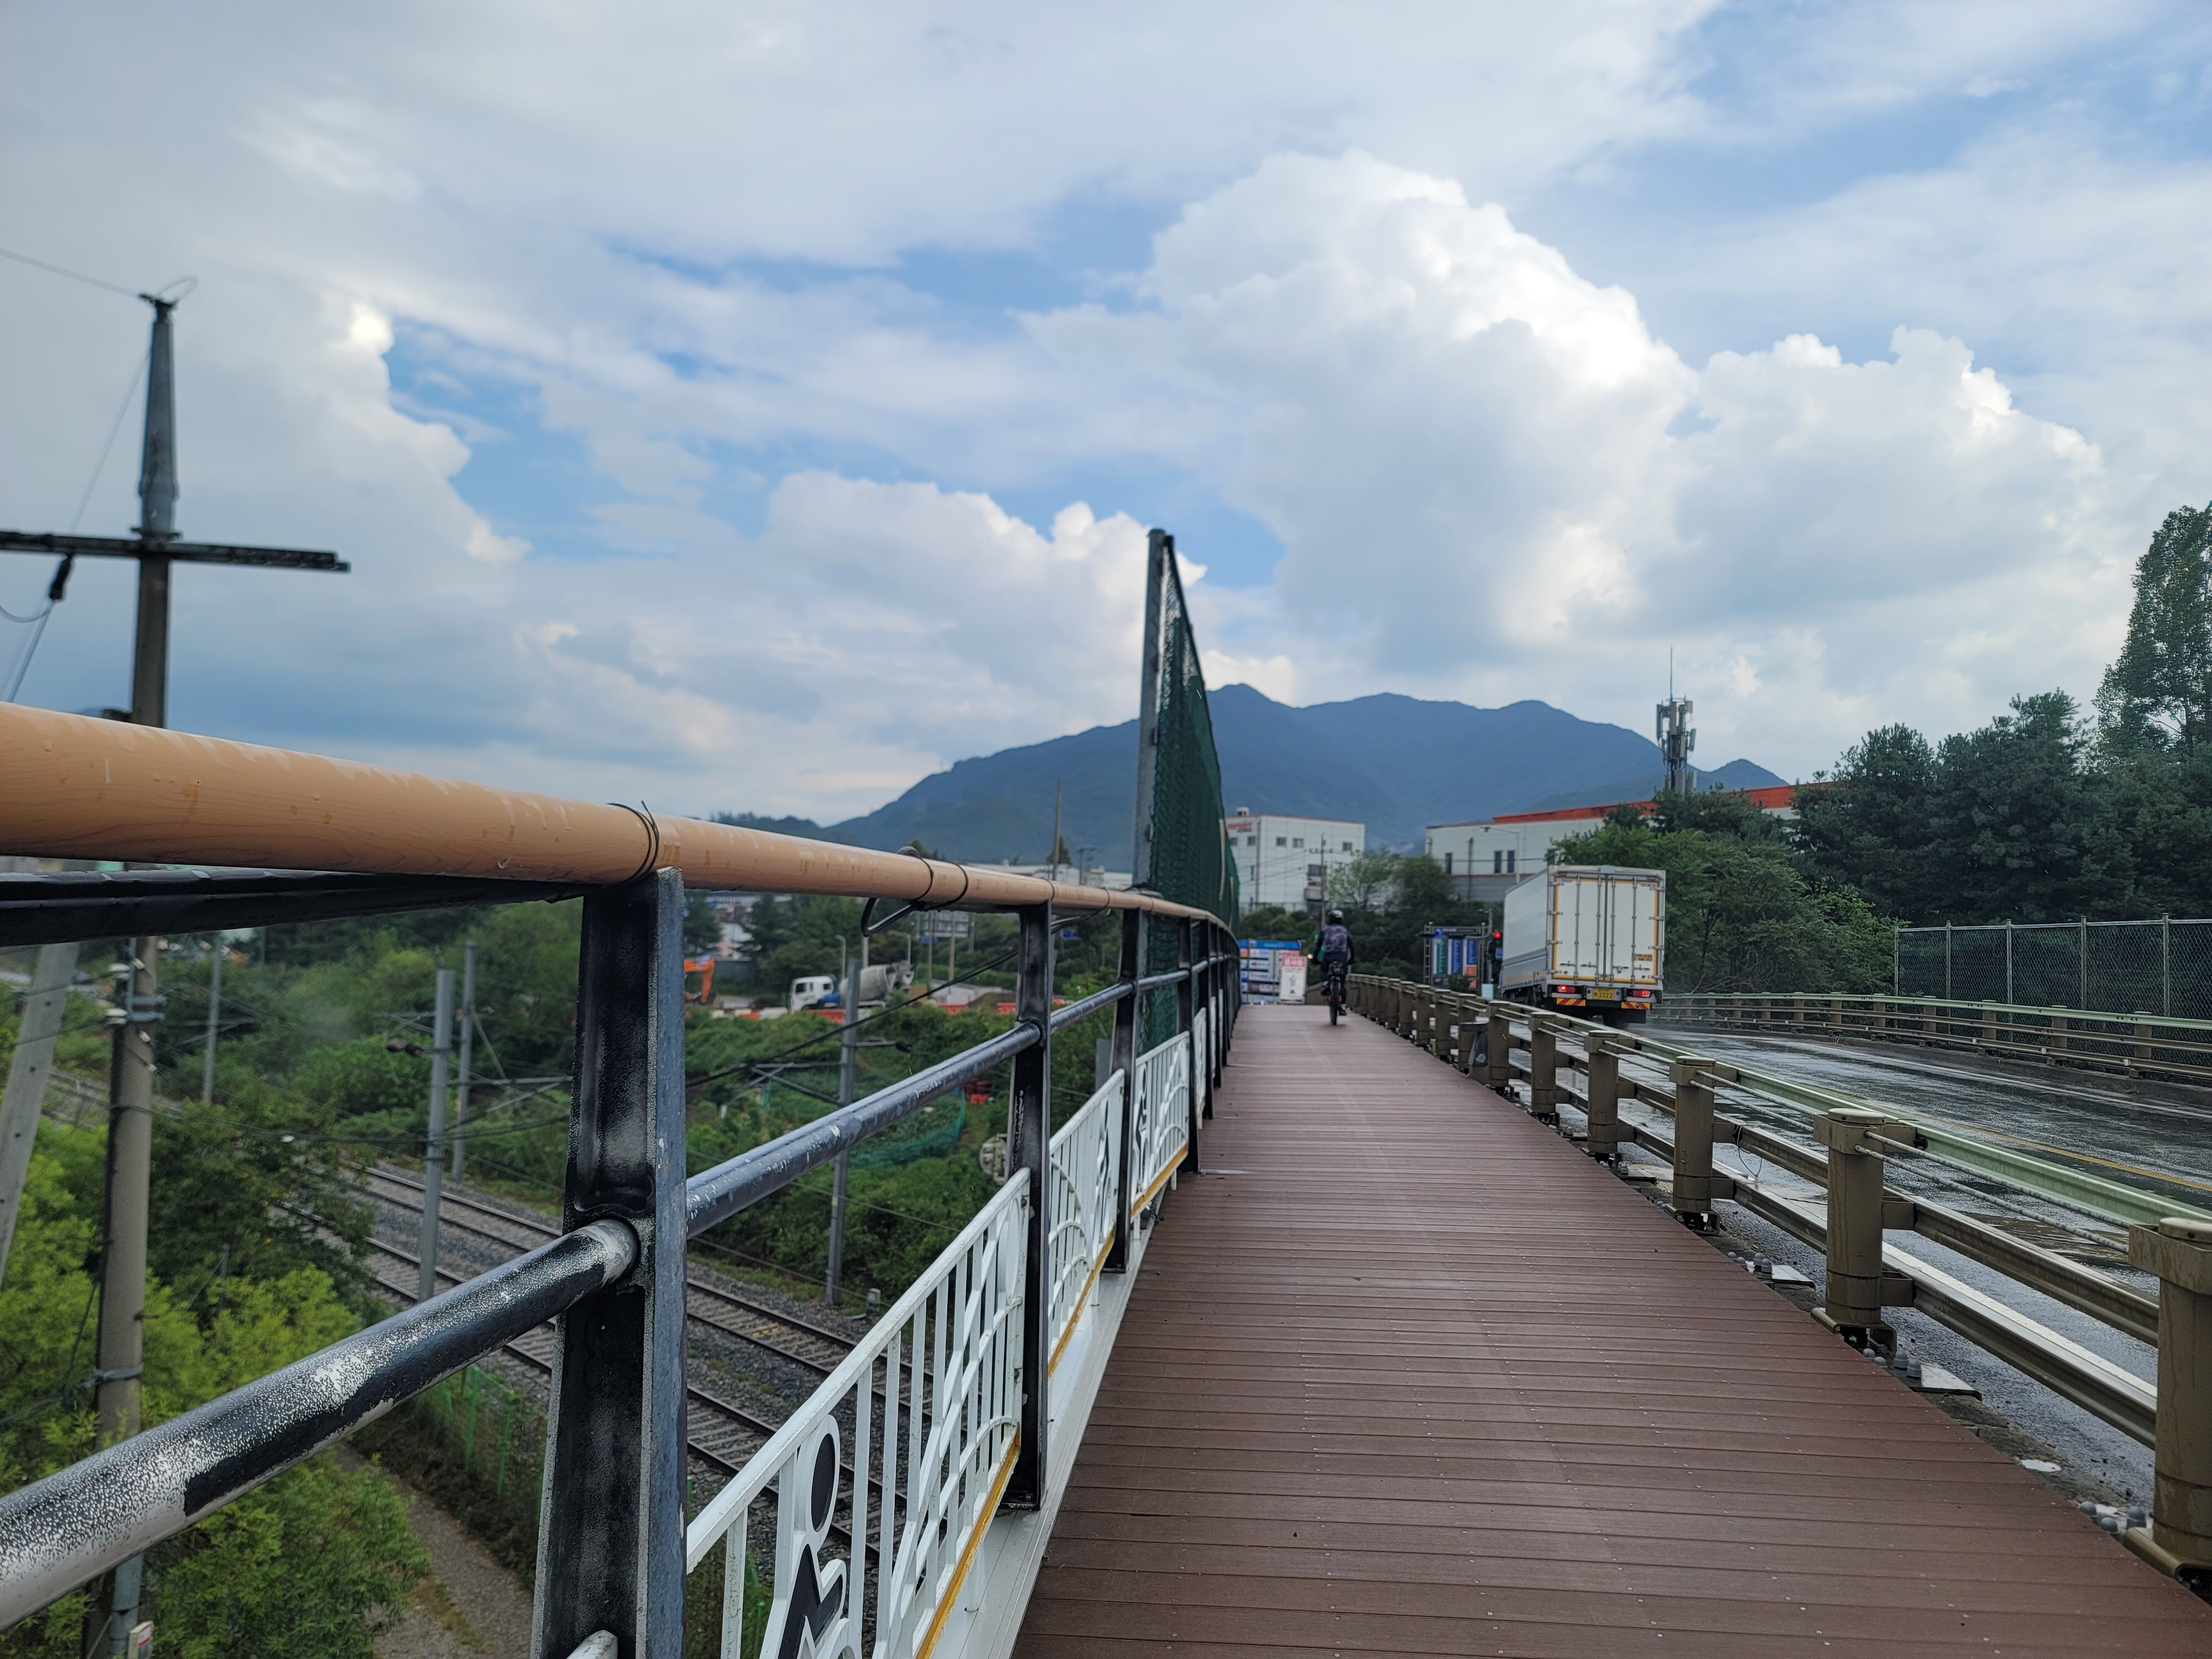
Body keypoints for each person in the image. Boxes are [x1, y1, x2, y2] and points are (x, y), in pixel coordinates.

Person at [1313, 909, 1354, 1003]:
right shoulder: (1345, 931)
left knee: (1324, 971)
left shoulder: (1325, 930)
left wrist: (1315, 958)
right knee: (1343, 978)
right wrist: (1352, 959)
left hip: (1329, 956)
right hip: (1342, 956)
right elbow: (1351, 946)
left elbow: (1318, 946)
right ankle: (1342, 999)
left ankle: (1326, 983)